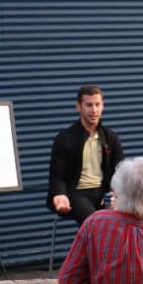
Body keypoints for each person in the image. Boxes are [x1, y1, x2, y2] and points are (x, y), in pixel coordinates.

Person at [48, 85, 124, 226]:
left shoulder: (111, 138)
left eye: (97, 105)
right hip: (76, 193)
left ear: (103, 106)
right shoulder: (65, 138)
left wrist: (117, 195)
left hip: (104, 193)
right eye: (89, 105)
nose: (94, 110)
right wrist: (60, 194)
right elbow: (57, 174)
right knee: (97, 224)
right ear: (79, 107)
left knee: (129, 220)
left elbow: (119, 171)